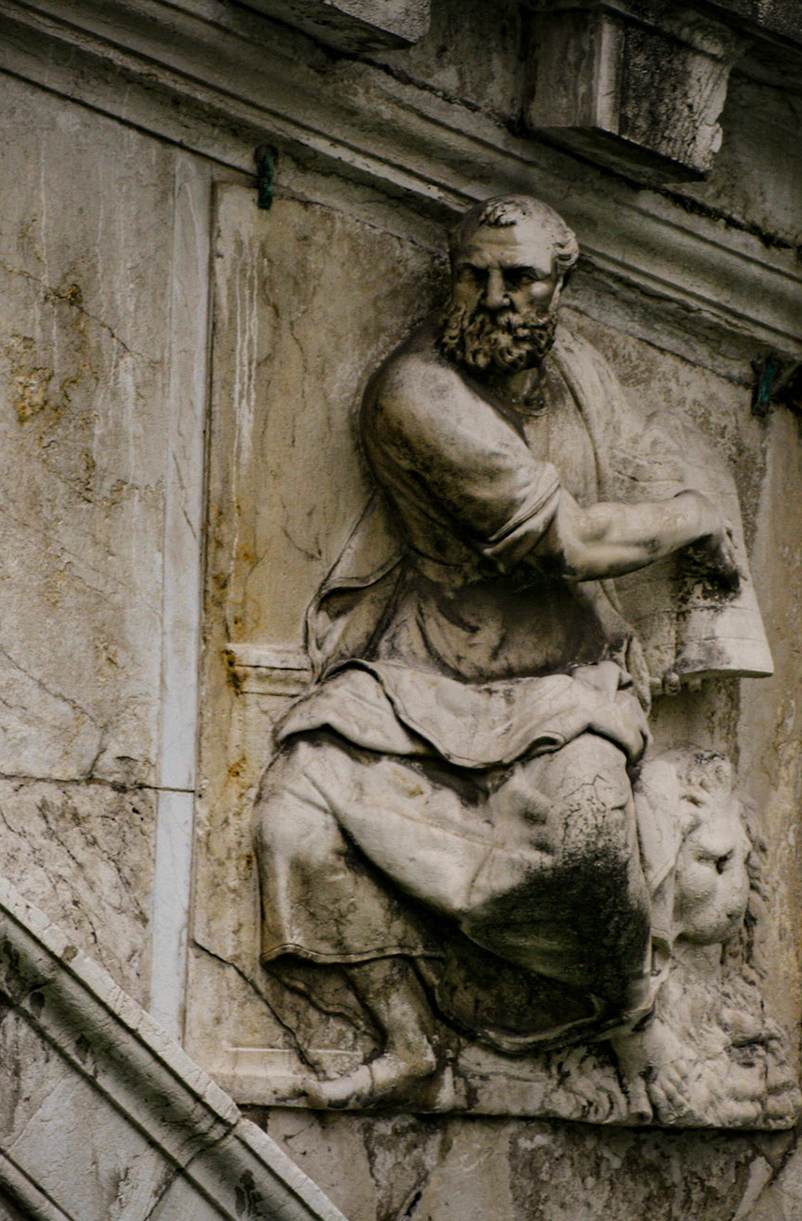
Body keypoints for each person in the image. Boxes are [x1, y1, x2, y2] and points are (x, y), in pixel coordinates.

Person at [252, 194, 744, 1111]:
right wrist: (691, 520)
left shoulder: (582, 376)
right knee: (292, 820)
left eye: (517, 277)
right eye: (472, 274)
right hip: (425, 678)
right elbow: (572, 543)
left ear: (561, 284)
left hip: (567, 685)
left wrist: (692, 497)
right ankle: (408, 1047)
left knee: (594, 849)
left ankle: (632, 1014)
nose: (491, 295)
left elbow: (643, 457)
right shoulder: (416, 394)